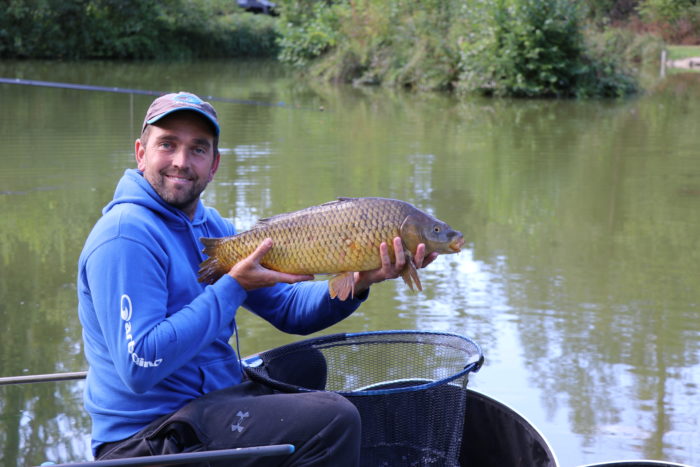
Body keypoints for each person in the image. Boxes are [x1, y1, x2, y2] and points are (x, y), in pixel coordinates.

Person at [77, 91, 436, 466]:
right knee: (336, 418)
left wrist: (361, 279)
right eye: (167, 144)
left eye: (197, 149)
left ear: (214, 165)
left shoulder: (209, 227)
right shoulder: (125, 236)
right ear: (141, 152)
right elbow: (140, 366)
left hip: (208, 404)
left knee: (306, 365)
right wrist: (233, 287)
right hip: (149, 437)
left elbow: (289, 309)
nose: (181, 161)